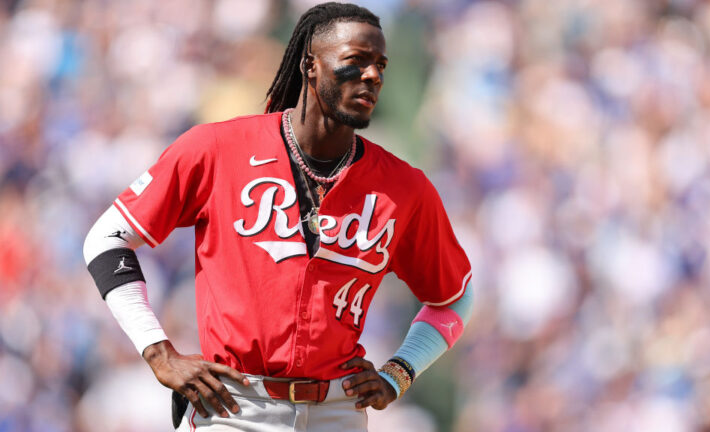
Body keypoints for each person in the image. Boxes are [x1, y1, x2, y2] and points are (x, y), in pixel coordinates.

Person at [83, 3, 474, 431]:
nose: (372, 76)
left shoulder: (405, 187)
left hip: (338, 411)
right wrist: (158, 353)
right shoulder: (216, 148)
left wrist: (399, 373)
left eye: (380, 64)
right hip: (234, 409)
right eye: (355, 62)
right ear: (310, 64)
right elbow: (106, 239)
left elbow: (453, 297)